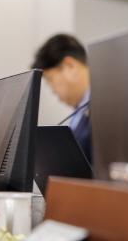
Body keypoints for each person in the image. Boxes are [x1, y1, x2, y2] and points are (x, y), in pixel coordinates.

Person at [32, 34, 92, 163]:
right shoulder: (79, 112)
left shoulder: (106, 106)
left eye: (50, 80)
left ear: (70, 65)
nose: (52, 90)